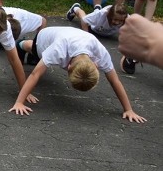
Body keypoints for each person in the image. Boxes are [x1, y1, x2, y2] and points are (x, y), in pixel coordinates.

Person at [11, 28, 146, 123]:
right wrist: (19, 102)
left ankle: (30, 52)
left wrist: (128, 110)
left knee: (42, 60)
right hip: (45, 37)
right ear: (68, 67)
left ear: (96, 65)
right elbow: (35, 74)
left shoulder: (100, 54)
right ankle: (20, 44)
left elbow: (114, 80)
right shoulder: (59, 49)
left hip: (74, 35)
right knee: (34, 51)